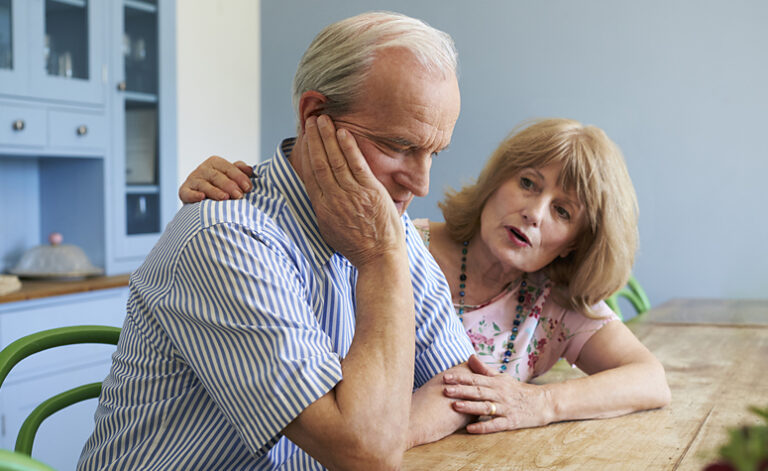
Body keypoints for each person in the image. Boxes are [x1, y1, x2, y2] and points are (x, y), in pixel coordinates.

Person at [79, 12, 478, 471]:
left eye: (433, 153)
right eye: (397, 145)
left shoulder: (391, 227)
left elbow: (464, 386)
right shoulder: (225, 237)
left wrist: (387, 429)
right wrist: (379, 259)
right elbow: (365, 453)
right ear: (314, 116)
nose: (421, 183)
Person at [181, 118, 671, 435]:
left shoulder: (556, 304)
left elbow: (650, 380)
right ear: (495, 181)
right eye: (527, 183)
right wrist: (252, 187)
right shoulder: (394, 242)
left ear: (578, 243)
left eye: (562, 211)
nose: (533, 213)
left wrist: (538, 404)